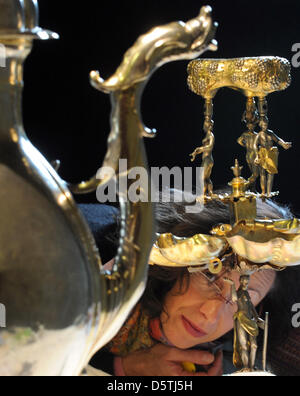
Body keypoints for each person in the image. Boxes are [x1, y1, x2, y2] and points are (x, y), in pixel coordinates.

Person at [86, 189, 300, 376]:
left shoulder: (231, 354)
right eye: (209, 276)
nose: (211, 313)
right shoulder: (93, 249)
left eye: (243, 299)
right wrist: (123, 367)